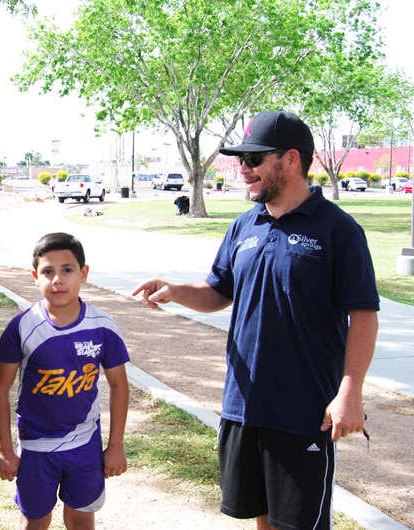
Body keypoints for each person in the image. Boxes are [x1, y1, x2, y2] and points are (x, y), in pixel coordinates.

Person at [133, 111, 379, 530]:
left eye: (254, 159)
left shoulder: (338, 230)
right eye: (240, 159)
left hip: (303, 413)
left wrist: (350, 392)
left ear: (292, 160)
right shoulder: (244, 225)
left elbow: (364, 316)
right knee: (258, 521)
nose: (242, 169)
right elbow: (219, 291)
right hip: (242, 407)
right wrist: (176, 292)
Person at [0, 232, 130, 530]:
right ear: (35, 277)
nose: (58, 279)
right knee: (34, 522)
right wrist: (4, 449)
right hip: (36, 448)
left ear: (83, 273)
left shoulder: (103, 327)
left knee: (81, 520)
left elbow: (119, 386)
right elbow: (0, 389)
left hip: (85, 445)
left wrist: (115, 445)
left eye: (67, 270)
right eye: (48, 271)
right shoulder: (22, 327)